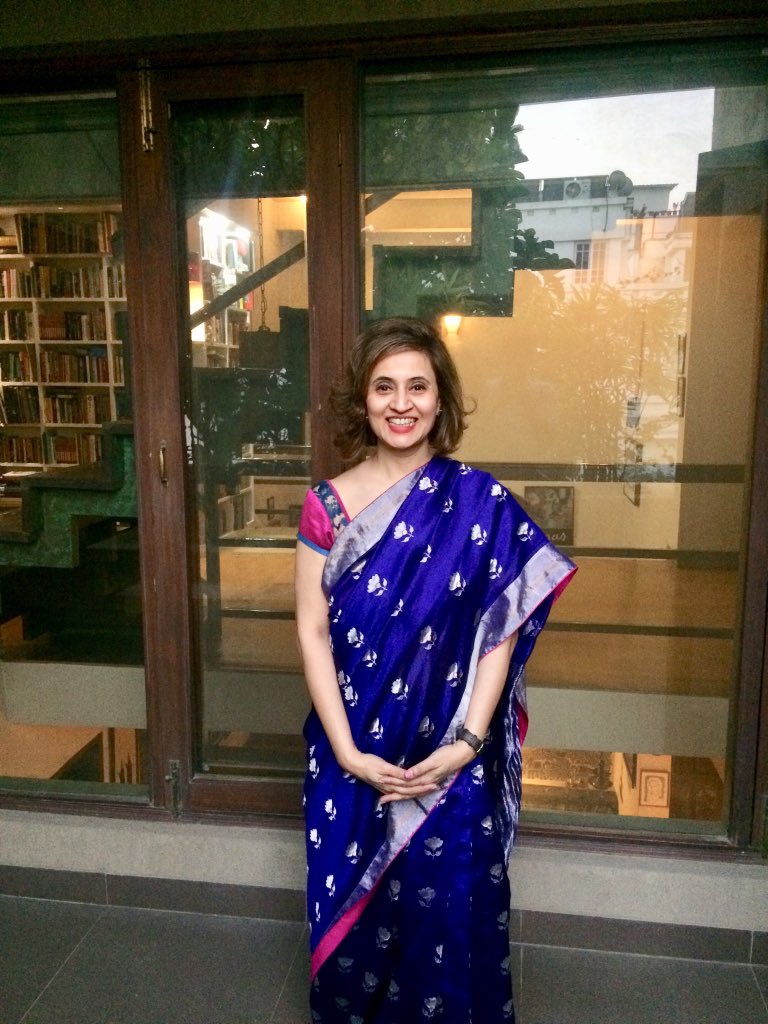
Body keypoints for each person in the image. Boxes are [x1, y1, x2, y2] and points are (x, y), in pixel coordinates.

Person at [294, 316, 575, 1024]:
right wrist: (348, 753)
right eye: (383, 386)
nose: (401, 403)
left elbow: (499, 629)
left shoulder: (479, 501)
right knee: (353, 926)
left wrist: (467, 744)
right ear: (362, 401)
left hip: (450, 758)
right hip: (351, 750)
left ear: (440, 398)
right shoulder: (327, 507)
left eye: (417, 386)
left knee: (449, 926)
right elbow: (312, 629)